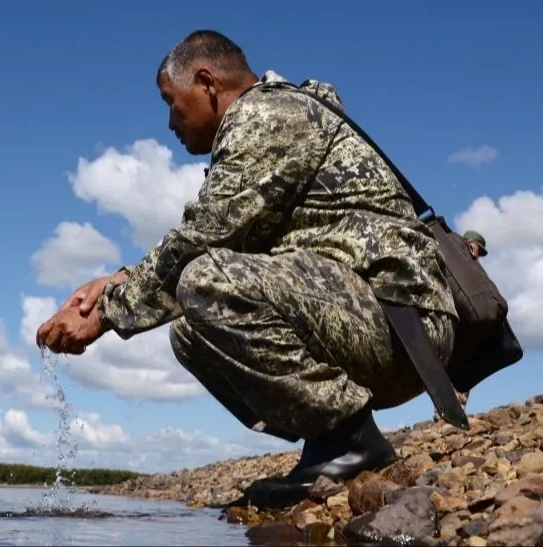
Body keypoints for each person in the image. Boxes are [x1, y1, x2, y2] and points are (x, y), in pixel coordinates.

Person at [36, 30, 458, 502]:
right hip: (370, 321)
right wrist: (118, 280)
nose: (169, 121)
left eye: (170, 102)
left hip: (400, 324)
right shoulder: (269, 121)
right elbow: (223, 234)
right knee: (190, 331)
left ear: (206, 82)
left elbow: (206, 237)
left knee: (206, 280)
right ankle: (326, 438)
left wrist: (108, 313)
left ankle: (351, 441)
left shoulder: (267, 115)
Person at [431, 230, 488, 421]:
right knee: (452, 369)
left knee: (458, 372)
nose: (477, 256)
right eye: (476, 250)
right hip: (451, 325)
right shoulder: (454, 262)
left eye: (478, 253)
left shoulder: (463, 266)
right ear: (469, 244)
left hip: (458, 327)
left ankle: (448, 415)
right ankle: (447, 415)